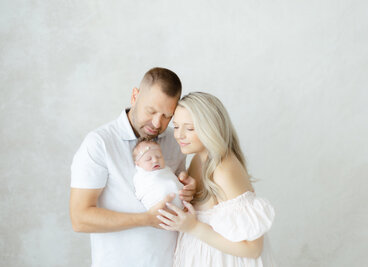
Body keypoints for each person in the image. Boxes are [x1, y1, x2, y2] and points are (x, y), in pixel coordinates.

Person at [70, 67, 196, 267]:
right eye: (151, 111)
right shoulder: (100, 143)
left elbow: (178, 196)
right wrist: (146, 219)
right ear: (135, 96)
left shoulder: (175, 141)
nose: (157, 123)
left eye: (167, 116)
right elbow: (80, 218)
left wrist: (188, 190)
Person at [157, 92, 275, 266]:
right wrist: (191, 190)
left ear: (210, 128)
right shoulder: (199, 159)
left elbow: (253, 249)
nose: (179, 135)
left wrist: (194, 228)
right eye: (175, 127)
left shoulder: (223, 168)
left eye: (189, 128)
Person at [132, 138, 184, 209]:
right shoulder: (141, 177)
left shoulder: (167, 170)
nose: (155, 160)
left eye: (159, 157)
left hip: (181, 206)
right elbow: (141, 194)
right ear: (138, 164)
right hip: (159, 208)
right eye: (148, 159)